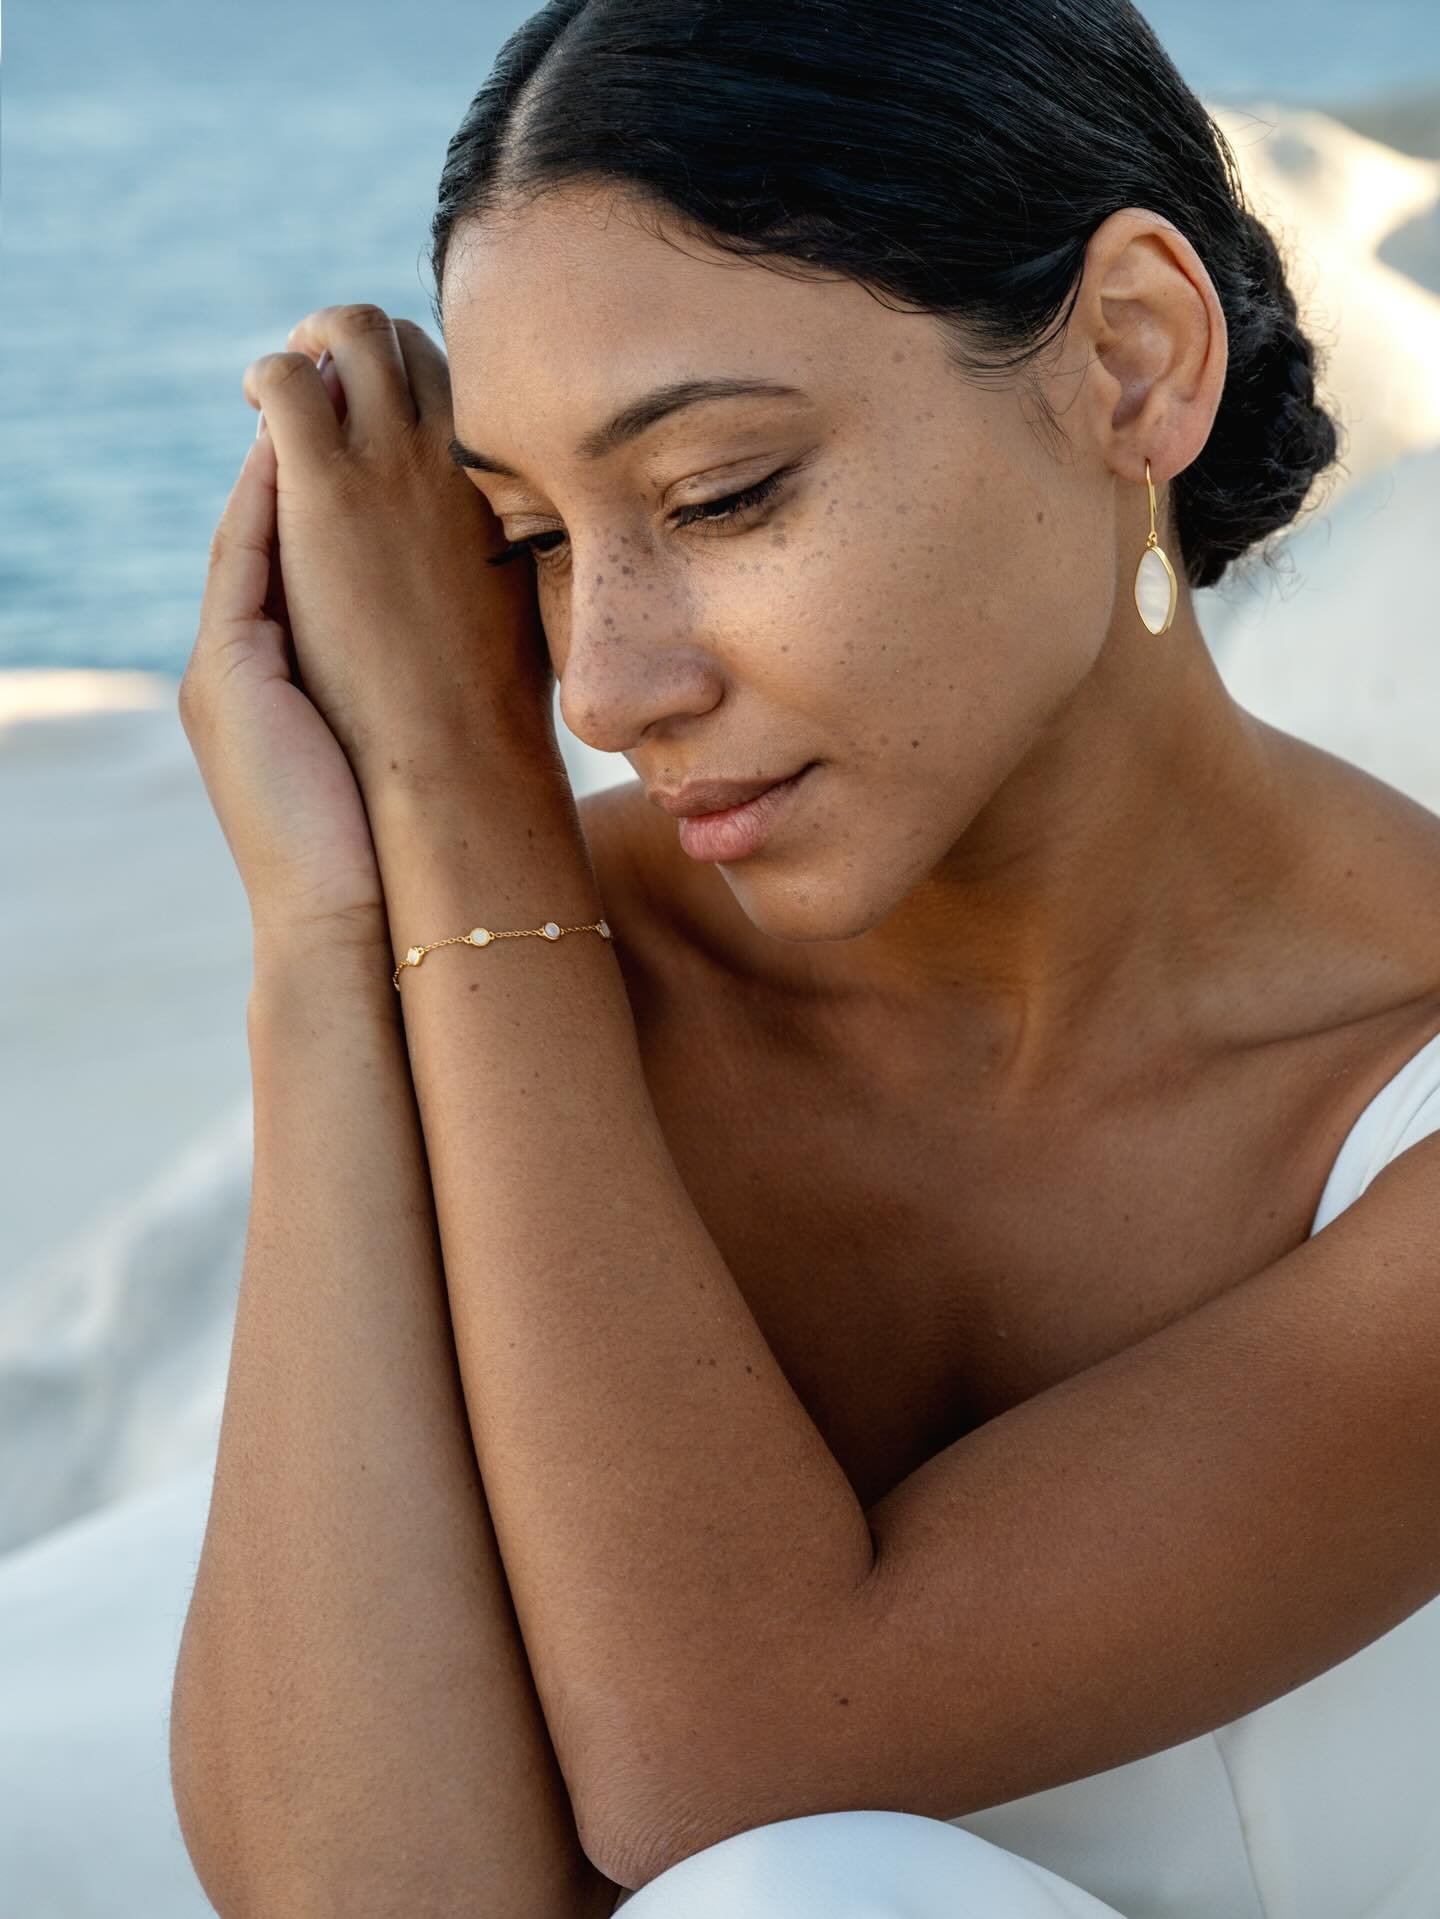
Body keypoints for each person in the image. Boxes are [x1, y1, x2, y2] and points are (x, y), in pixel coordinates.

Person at [170, 1, 1440, 1914]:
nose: (603, 687)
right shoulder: (516, 956)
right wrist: (336, 941)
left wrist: (462, 808)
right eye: (522, 542)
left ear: (1129, 361)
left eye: (717, 496)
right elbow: (365, 1890)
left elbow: (730, 1768)